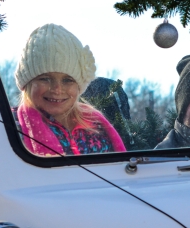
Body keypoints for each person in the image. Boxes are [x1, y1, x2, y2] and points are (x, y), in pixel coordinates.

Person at [15, 24, 126, 156]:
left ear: (79, 86)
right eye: (45, 79)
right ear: (27, 83)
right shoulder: (12, 130)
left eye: (68, 80)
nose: (57, 89)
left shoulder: (97, 127)